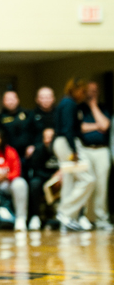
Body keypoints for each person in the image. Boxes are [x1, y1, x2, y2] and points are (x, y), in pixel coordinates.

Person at [53, 77, 96, 231]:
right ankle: (65, 211)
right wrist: (73, 151)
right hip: (66, 144)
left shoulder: (66, 103)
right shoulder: (69, 104)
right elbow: (68, 129)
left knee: (70, 180)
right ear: (75, 89)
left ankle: (67, 218)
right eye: (83, 91)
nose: (84, 95)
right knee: (88, 179)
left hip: (62, 143)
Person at [80, 80, 111, 231]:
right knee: (87, 183)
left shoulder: (103, 107)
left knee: (101, 185)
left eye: (94, 90)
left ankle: (101, 218)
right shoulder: (79, 108)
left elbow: (105, 125)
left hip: (101, 151)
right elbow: (80, 128)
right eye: (89, 90)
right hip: (84, 150)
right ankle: (86, 217)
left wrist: (93, 106)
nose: (91, 93)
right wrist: (97, 126)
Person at [25, 126, 60, 230]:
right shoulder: (39, 149)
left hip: (60, 178)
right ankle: (35, 216)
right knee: (34, 183)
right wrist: (50, 177)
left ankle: (69, 216)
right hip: (43, 178)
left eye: (51, 137)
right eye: (46, 137)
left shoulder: (61, 148)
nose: (48, 140)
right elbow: (35, 169)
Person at [0, 90, 30, 161]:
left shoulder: (27, 114)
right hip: (7, 154)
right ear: (3, 102)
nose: (11, 102)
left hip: (26, 154)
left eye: (12, 99)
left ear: (17, 100)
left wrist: (32, 146)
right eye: (8, 100)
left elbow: (33, 131)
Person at [24, 87, 56, 159]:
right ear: (37, 100)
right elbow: (27, 132)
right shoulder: (32, 114)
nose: (46, 100)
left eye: (48, 97)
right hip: (37, 148)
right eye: (42, 98)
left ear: (53, 99)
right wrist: (30, 146)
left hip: (56, 147)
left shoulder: (59, 113)